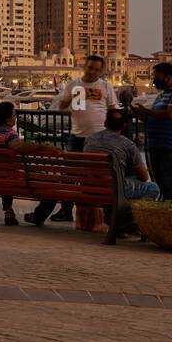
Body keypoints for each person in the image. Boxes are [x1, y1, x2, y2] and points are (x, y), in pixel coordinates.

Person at [38, 54, 120, 223]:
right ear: (85, 66)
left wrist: (114, 132)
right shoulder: (74, 85)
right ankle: (66, 210)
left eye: (96, 69)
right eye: (90, 67)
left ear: (101, 70)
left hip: (99, 138)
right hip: (77, 135)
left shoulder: (105, 86)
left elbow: (113, 108)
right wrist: (72, 101)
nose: (92, 72)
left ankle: (107, 213)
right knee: (70, 174)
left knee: (100, 175)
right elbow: (63, 107)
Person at [83, 107, 161, 235]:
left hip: (91, 186)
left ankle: (117, 222)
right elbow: (144, 176)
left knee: (115, 185)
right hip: (113, 188)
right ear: (124, 126)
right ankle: (133, 223)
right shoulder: (127, 144)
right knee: (152, 188)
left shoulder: (90, 139)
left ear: (105, 123)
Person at [131, 62, 172, 201]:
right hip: (156, 144)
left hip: (171, 146)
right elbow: (155, 115)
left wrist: (145, 111)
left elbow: (170, 114)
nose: (153, 79)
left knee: (171, 185)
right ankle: (162, 215)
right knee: (160, 183)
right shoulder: (161, 95)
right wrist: (141, 115)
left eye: (156, 76)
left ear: (168, 77)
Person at [0, 101, 41, 225]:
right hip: (7, 179)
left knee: (5, 174)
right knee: (46, 181)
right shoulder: (9, 134)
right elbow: (19, 147)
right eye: (14, 115)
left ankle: (9, 210)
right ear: (7, 120)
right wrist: (42, 147)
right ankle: (37, 215)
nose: (15, 117)